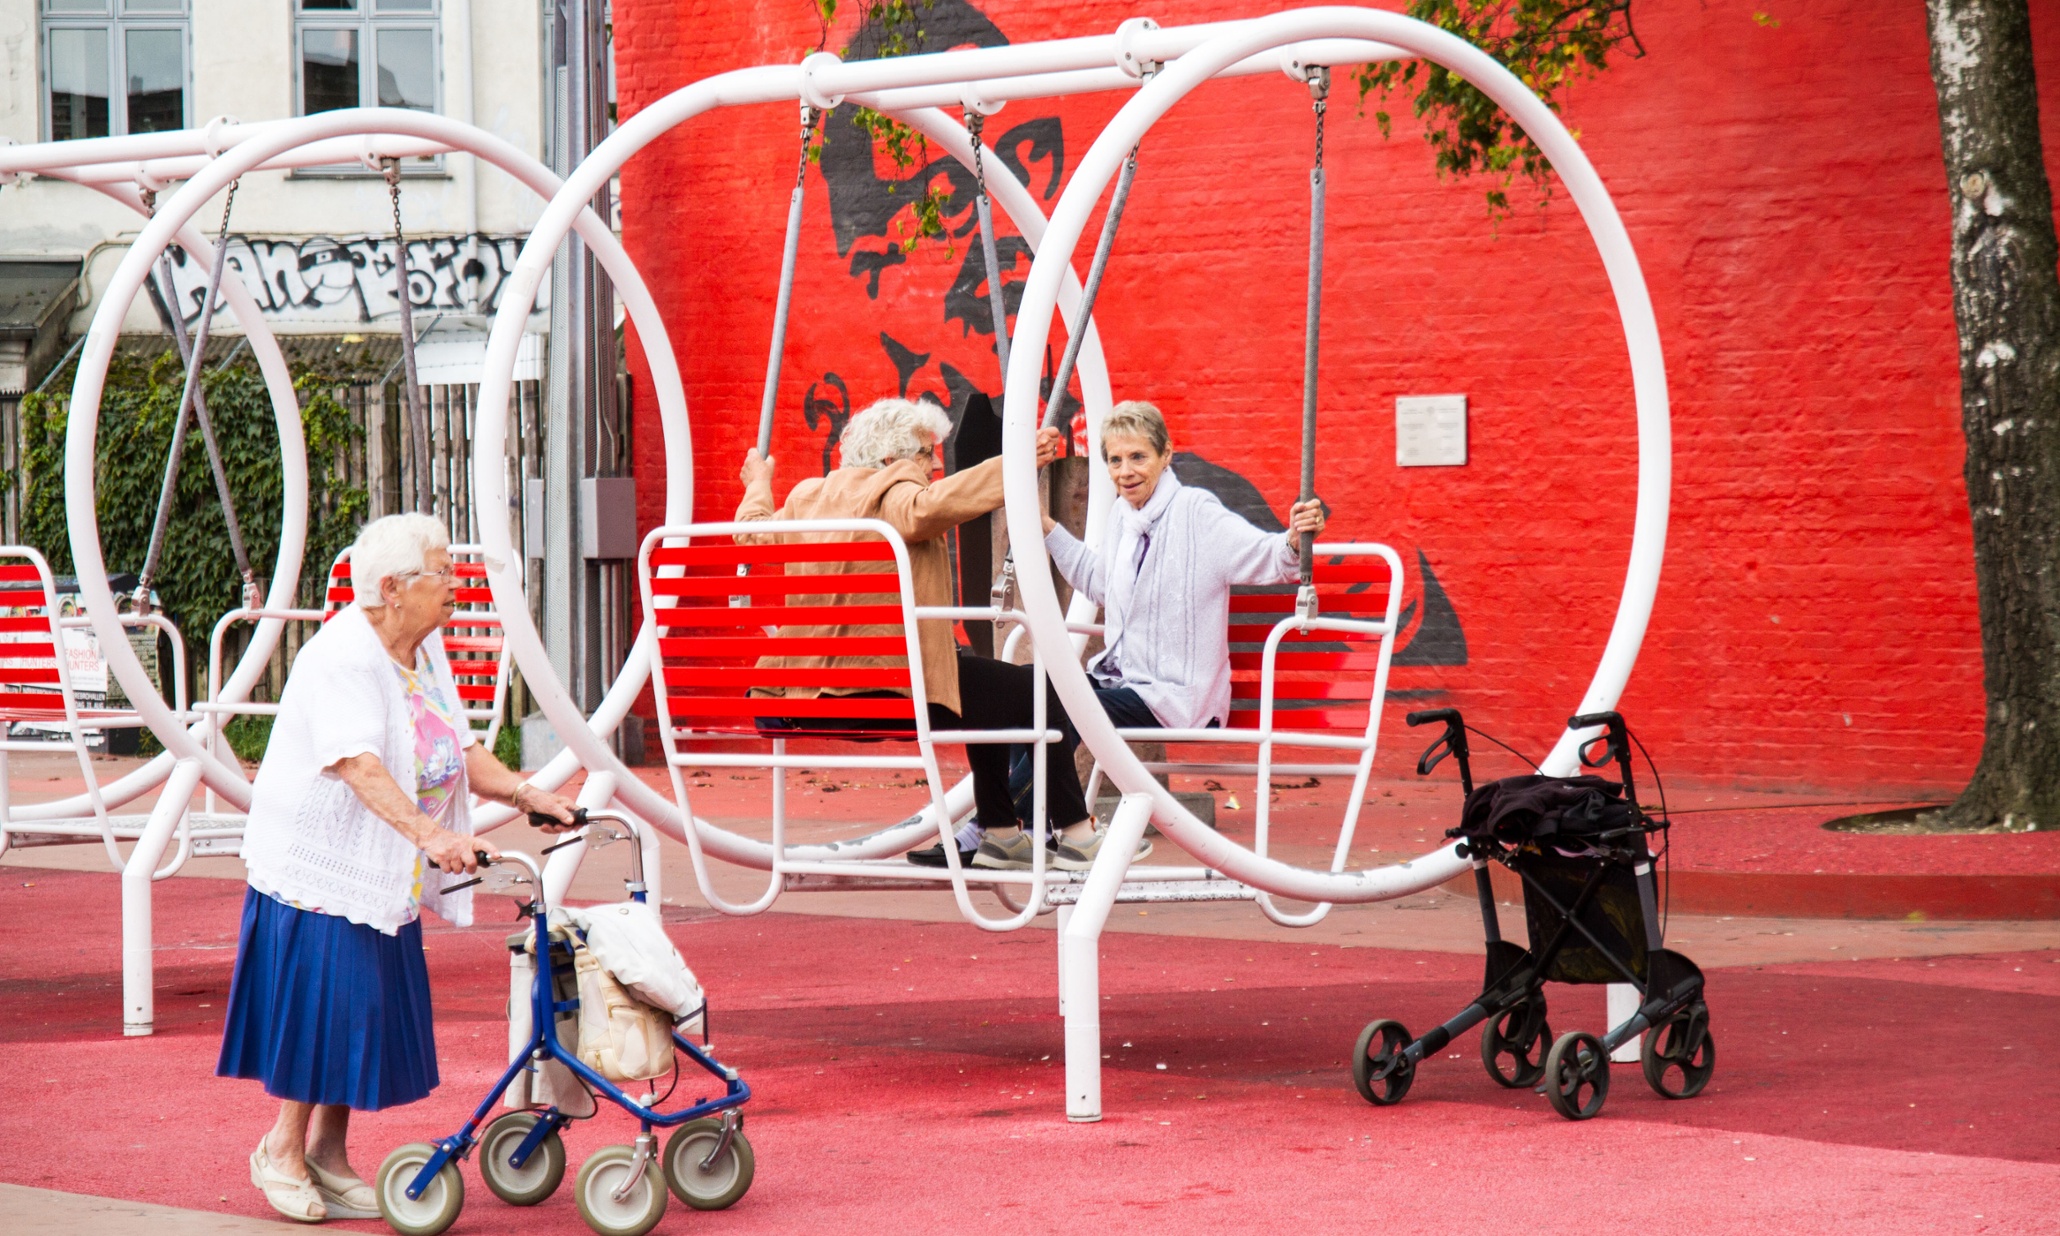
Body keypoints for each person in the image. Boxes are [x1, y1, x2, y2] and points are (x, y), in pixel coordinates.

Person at [218, 513, 581, 1223]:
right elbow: (358, 764)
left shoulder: (423, 649)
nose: (454, 583)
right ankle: (281, 1151)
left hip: (379, 863)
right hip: (319, 862)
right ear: (390, 588)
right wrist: (430, 836)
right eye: (440, 572)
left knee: (362, 1011)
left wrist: (526, 792)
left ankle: (327, 1154)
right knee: (328, 1010)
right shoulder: (345, 656)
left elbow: (457, 747)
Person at [735, 396, 1146, 873]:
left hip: (803, 699)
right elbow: (929, 506)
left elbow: (752, 533)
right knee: (1041, 689)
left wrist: (759, 484)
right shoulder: (894, 496)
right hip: (887, 693)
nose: (934, 463)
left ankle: (1000, 833)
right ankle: (1077, 835)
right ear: (890, 461)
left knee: (989, 689)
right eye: (925, 453)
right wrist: (1016, 466)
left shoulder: (807, 498)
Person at [1023, 400, 1326, 789]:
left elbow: (1269, 556)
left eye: (1137, 457)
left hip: (1180, 698)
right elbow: (1101, 585)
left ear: (1166, 454)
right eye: (1115, 461)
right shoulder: (1122, 517)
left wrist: (1297, 538)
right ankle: (1019, 822)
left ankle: (1005, 821)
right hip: (1125, 683)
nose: (1126, 471)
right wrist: (1046, 526)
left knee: (1069, 706)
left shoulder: (1195, 513)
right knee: (1031, 690)